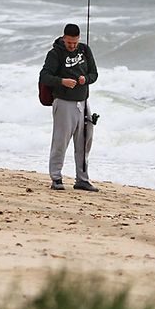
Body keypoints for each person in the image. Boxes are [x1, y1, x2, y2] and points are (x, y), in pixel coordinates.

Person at [40, 22, 99, 190]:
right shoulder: (55, 54)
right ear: (64, 38)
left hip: (83, 102)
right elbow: (44, 76)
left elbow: (94, 74)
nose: (72, 46)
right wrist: (62, 82)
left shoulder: (85, 50)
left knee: (84, 142)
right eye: (69, 42)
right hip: (64, 102)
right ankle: (56, 178)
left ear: (79, 39)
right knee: (60, 141)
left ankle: (82, 179)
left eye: (75, 42)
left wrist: (85, 79)